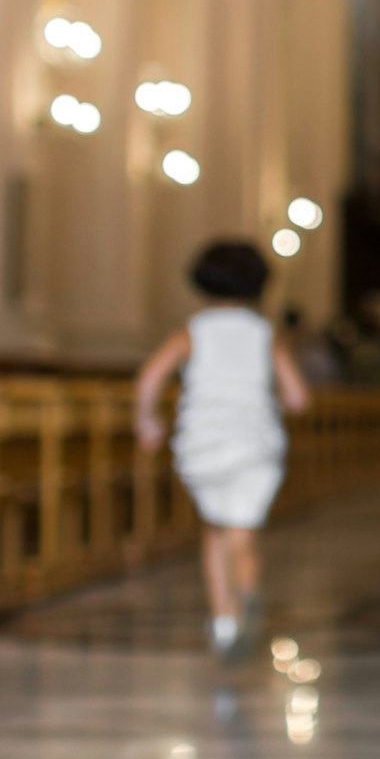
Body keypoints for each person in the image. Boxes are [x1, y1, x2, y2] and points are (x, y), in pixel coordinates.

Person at [135, 239, 310, 657]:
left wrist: (147, 420)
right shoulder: (267, 335)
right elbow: (299, 398)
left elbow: (149, 379)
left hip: (202, 443)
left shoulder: (190, 332)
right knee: (241, 530)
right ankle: (247, 590)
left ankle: (223, 622)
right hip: (253, 442)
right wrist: (280, 400)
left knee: (214, 527)